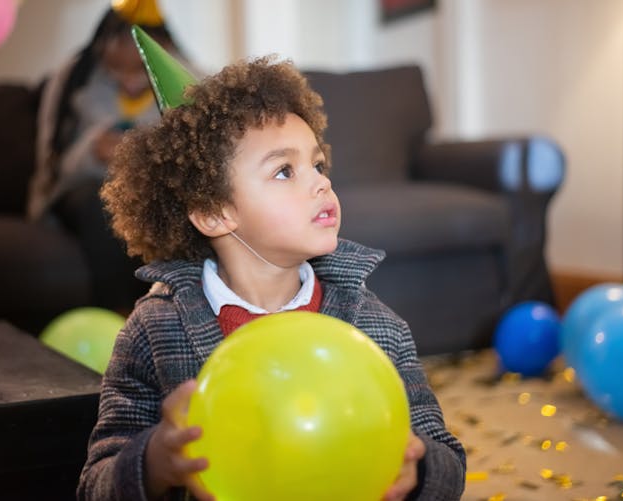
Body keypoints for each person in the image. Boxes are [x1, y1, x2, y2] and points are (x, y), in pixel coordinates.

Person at [77, 30, 466, 501]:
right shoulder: (155, 331)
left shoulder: (374, 325)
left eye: (318, 165)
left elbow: (447, 458)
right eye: (285, 171)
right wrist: (154, 462)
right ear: (215, 213)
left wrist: (419, 471)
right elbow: (96, 483)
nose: (321, 184)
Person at [27, 2, 184, 310]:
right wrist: (91, 151)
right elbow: (50, 166)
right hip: (84, 189)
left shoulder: (185, 84)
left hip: (153, 189)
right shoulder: (74, 81)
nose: (128, 81)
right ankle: (118, 314)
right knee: (105, 203)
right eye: (116, 69)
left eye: (140, 70)